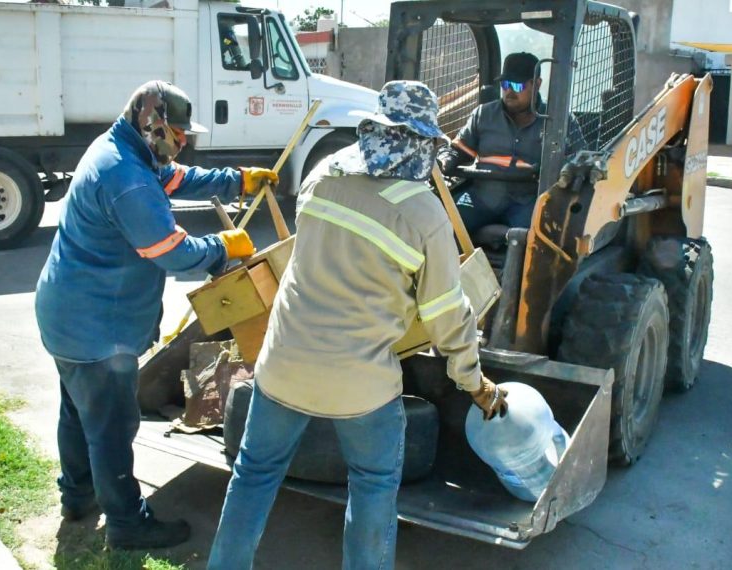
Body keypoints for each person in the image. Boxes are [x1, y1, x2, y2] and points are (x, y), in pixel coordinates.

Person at [207, 81, 510, 570]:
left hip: (283, 363)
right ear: (424, 145)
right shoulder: (424, 213)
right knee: (371, 488)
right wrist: (474, 382)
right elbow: (445, 316)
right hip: (360, 385)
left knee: (254, 475)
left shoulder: (322, 175)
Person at [34, 80, 277, 551]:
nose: (182, 143)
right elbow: (170, 250)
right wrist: (220, 247)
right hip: (96, 329)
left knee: (77, 413)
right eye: (178, 134)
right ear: (153, 124)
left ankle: (77, 497)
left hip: (69, 314)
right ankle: (127, 524)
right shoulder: (124, 177)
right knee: (111, 428)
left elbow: (178, 178)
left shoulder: (124, 150)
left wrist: (237, 179)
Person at [437, 52, 584, 234]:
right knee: (444, 225)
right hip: (483, 197)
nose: (509, 91)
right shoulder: (483, 115)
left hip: (528, 201)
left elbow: (581, 159)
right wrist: (445, 159)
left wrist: (566, 168)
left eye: (517, 85)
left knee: (537, 239)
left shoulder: (560, 121)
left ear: (536, 84)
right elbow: (458, 150)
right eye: (505, 85)